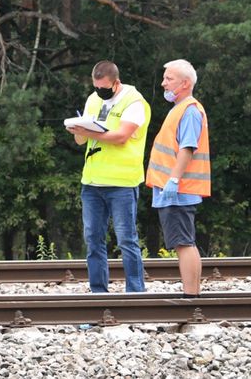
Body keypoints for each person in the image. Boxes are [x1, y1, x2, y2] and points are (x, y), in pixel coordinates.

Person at [66, 61, 150, 293]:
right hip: (92, 182)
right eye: (96, 87)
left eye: (104, 88)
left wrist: (89, 131)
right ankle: (98, 294)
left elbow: (122, 136)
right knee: (93, 241)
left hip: (122, 183)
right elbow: (82, 141)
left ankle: (135, 294)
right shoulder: (94, 99)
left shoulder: (134, 101)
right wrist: (78, 131)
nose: (99, 92)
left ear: (116, 83)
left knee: (126, 240)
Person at [147, 59, 210, 296]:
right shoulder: (181, 108)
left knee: (184, 243)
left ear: (184, 83)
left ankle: (191, 296)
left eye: (169, 79)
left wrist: (173, 180)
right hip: (174, 189)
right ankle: (191, 293)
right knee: (184, 242)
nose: (163, 83)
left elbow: (187, 147)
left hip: (179, 189)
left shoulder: (190, 110)